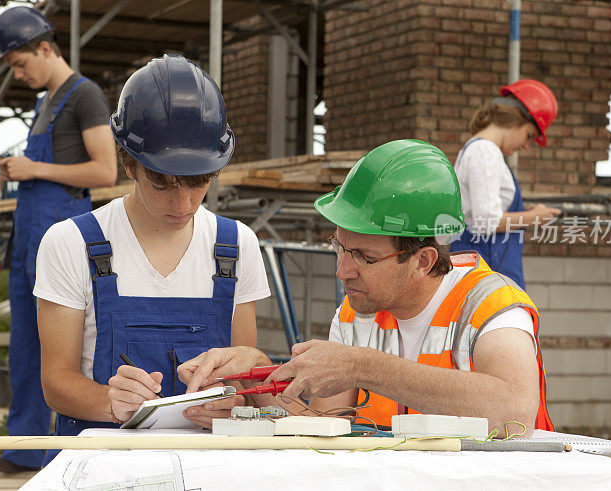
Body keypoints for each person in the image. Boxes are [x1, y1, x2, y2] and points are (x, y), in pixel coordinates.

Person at [179, 139, 554, 435]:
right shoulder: (355, 312)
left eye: (364, 256)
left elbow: (514, 410)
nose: (343, 271)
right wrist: (257, 383)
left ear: (422, 261)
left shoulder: (492, 306)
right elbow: (324, 424)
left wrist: (361, 367)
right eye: (339, 247)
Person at [32, 54, 271, 462]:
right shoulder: (70, 243)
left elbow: (241, 374)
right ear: (129, 162)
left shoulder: (236, 246)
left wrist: (233, 400)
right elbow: (56, 382)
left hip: (207, 468)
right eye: (162, 183)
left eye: (199, 182)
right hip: (101, 465)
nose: (184, 203)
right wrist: (109, 400)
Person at [0, 7, 117, 477]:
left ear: (46, 48)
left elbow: (105, 171)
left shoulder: (85, 96)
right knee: (26, 346)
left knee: (66, 349)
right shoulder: (44, 104)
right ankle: (25, 450)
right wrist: (18, 169)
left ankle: (67, 454)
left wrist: (34, 169)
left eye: (19, 63)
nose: (17, 73)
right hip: (29, 235)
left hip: (60, 235)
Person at [448, 79, 562, 289]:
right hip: (486, 270)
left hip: (486, 268)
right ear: (514, 120)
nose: (527, 145)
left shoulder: (479, 150)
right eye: (529, 135)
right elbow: (487, 221)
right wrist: (534, 217)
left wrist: (526, 212)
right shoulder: (485, 152)